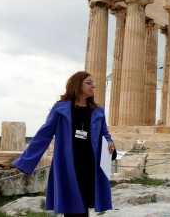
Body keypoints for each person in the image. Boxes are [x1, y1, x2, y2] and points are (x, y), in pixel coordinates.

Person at [13, 71, 116, 217]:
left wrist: (110, 141)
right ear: (77, 85)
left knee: (84, 204)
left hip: (91, 164)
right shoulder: (60, 108)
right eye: (89, 82)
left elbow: (104, 132)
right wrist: (23, 162)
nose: (94, 86)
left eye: (93, 83)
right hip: (68, 163)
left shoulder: (98, 110)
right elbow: (43, 135)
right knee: (72, 206)